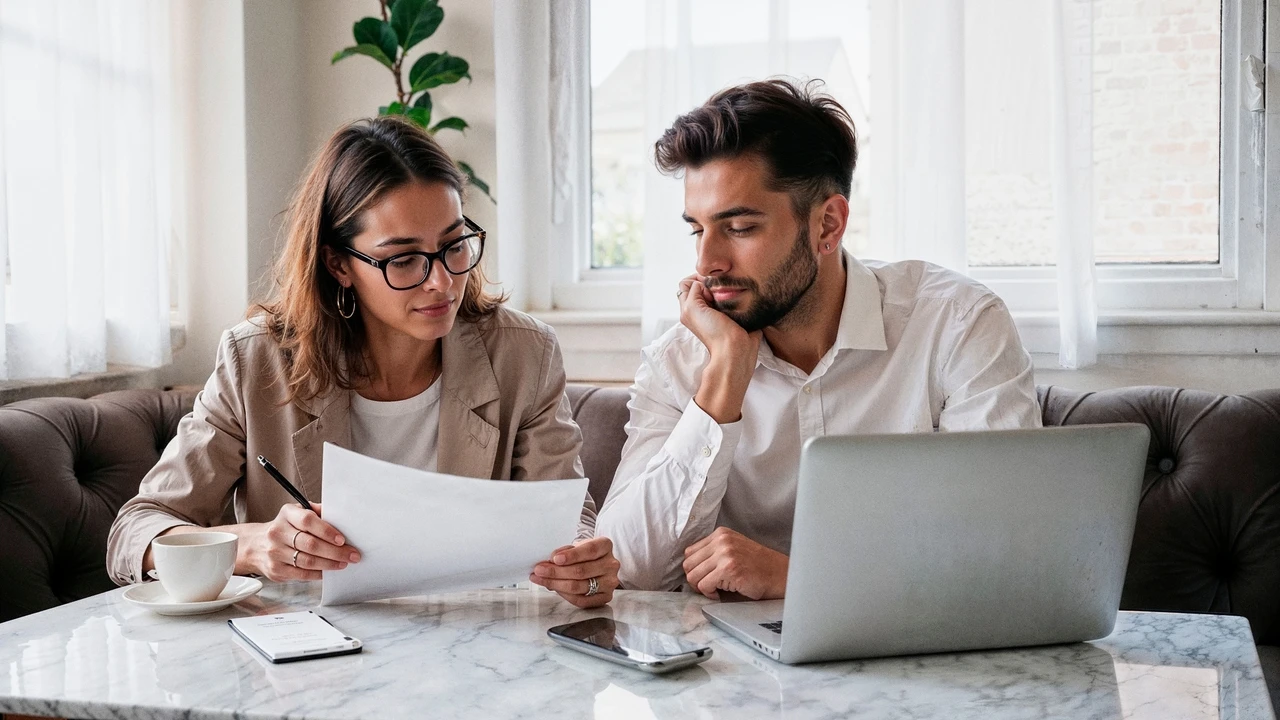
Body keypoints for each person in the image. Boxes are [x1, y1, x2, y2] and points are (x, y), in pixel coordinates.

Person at [107, 116, 619, 608]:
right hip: (307, 659)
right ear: (338, 264)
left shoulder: (522, 354)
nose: (441, 281)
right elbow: (138, 530)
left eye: (454, 245)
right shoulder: (257, 361)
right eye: (403, 258)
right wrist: (254, 546)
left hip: (474, 649)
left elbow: (568, 515)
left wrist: (582, 565)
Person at [595, 79, 1040, 599]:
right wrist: (724, 379)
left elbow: (1003, 549)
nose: (706, 263)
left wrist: (797, 577)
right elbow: (630, 568)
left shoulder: (957, 325)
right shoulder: (682, 359)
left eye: (738, 227)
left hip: (914, 664)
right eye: (698, 229)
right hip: (724, 669)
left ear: (827, 224)